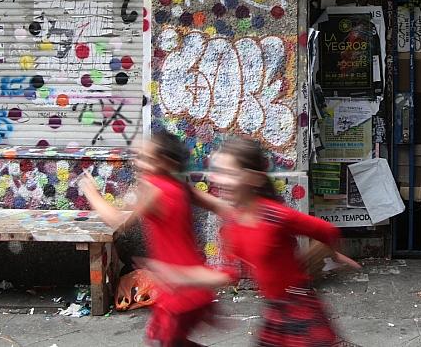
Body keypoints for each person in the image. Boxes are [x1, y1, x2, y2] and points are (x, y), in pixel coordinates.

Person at [140, 137, 360, 347]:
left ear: (254, 178)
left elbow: (327, 231)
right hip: (275, 309)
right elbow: (228, 274)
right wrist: (183, 277)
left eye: (229, 173)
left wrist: (321, 258)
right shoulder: (231, 226)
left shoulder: (275, 216)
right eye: (216, 172)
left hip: (301, 306)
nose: (217, 179)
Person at [79, 132, 215, 347]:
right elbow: (218, 205)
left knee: (163, 342)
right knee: (169, 341)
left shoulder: (153, 189)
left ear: (165, 162)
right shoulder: (179, 186)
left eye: (145, 158)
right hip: (193, 283)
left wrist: (91, 193)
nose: (138, 162)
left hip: (180, 289)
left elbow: (117, 220)